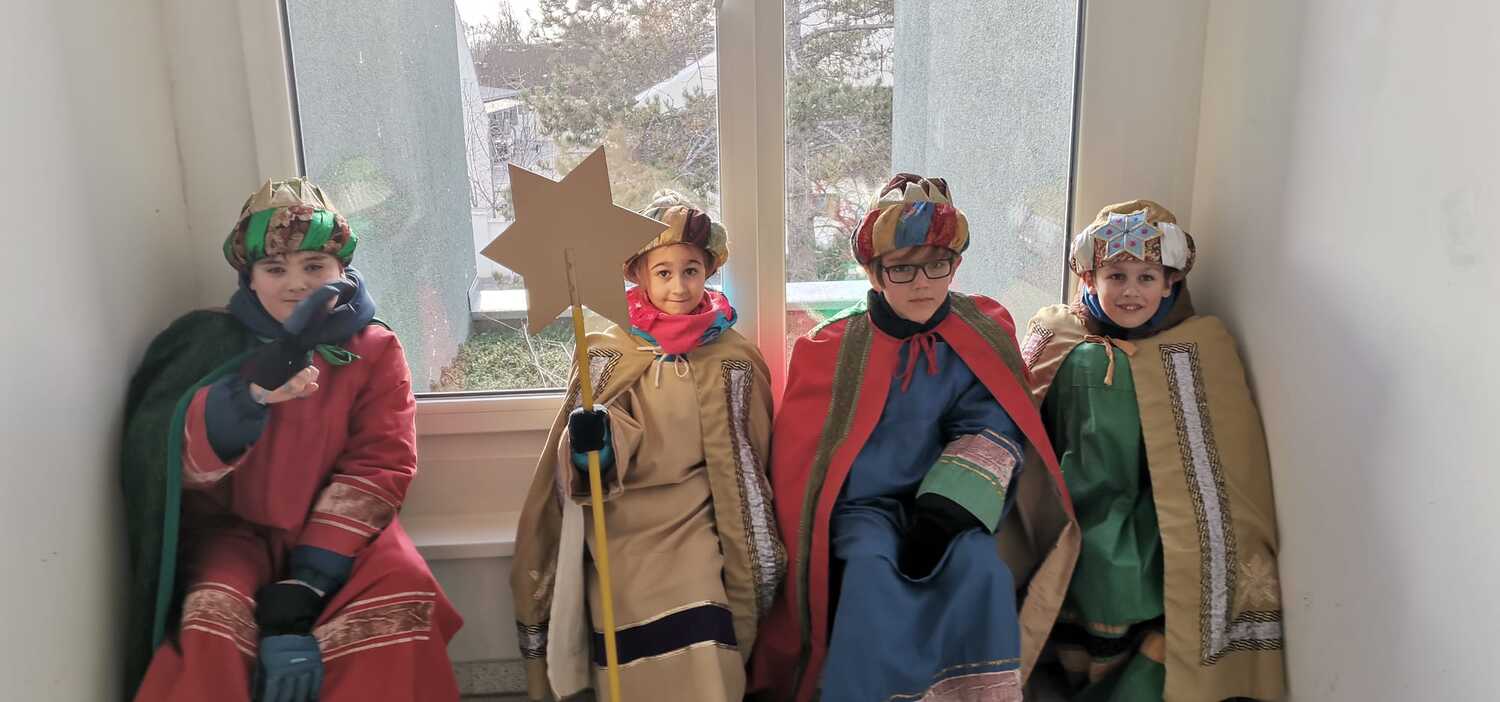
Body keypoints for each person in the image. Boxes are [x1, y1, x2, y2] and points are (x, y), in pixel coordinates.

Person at [123, 178, 462, 701]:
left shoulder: (374, 348)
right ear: (249, 277)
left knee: (404, 592)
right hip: (232, 532)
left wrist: (310, 579)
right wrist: (245, 399)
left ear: (341, 270)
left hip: (344, 536)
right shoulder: (206, 342)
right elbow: (168, 461)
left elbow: (380, 464)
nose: (296, 284)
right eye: (275, 269)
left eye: (314, 266)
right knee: (212, 620)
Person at [750, 174, 1079, 702]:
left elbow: (992, 421)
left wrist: (946, 512)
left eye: (937, 264)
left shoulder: (981, 329)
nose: (922, 283)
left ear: (956, 264)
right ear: (873, 273)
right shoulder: (832, 345)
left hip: (951, 507)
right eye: (902, 268)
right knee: (871, 573)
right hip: (863, 510)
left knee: (980, 568)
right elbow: (808, 466)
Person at [508, 192, 783, 702]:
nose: (679, 286)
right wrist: (593, 443)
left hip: (697, 517)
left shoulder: (734, 357)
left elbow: (752, 457)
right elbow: (579, 466)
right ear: (638, 275)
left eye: (691, 271)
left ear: (709, 271)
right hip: (622, 519)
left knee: (705, 614)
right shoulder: (608, 353)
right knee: (626, 613)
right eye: (664, 272)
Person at [1024, 199, 1285, 701]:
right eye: (1116, 276)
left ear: (1170, 283)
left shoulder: (1200, 344)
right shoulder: (1057, 332)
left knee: (1122, 575)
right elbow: (1017, 410)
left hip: (1154, 508)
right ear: (1089, 278)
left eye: (1146, 277)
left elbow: (1225, 461)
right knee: (1078, 570)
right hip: (1067, 504)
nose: (1130, 291)